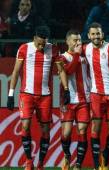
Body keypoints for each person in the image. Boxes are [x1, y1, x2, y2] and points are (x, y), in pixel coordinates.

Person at [6, 26, 70, 170]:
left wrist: (66, 90)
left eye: (44, 43)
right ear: (34, 38)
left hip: (45, 96)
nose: (41, 46)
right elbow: (16, 71)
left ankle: (40, 163)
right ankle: (29, 161)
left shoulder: (53, 49)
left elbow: (61, 70)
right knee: (25, 125)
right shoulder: (24, 49)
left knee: (46, 130)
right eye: (39, 43)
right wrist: (10, 94)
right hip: (27, 94)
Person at [83, 22, 109, 170]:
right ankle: (97, 166)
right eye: (93, 34)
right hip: (95, 95)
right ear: (88, 36)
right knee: (95, 129)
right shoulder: (85, 49)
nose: (96, 36)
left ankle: (105, 153)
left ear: (102, 34)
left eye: (98, 33)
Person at [59, 29, 91, 170]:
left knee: (82, 130)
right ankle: (67, 155)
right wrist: (77, 55)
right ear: (67, 41)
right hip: (69, 100)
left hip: (84, 100)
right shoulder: (62, 58)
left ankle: (78, 164)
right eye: (75, 40)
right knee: (65, 133)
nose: (78, 42)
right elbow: (69, 71)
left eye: (79, 40)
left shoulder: (85, 57)